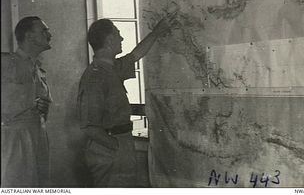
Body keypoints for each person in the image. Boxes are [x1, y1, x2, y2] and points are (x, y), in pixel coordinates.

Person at [77, 14, 176, 187]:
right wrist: (115, 147)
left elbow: (136, 54)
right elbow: (89, 127)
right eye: (118, 34)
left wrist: (157, 31)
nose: (121, 38)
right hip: (109, 147)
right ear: (108, 41)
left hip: (120, 141)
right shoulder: (94, 77)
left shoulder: (112, 68)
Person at [1, 16, 53, 187]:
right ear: (29, 36)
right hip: (15, 139)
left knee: (39, 184)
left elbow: (43, 108)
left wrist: (43, 107)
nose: (49, 34)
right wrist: (31, 101)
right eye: (44, 30)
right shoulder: (7, 63)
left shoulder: (38, 69)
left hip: (37, 136)